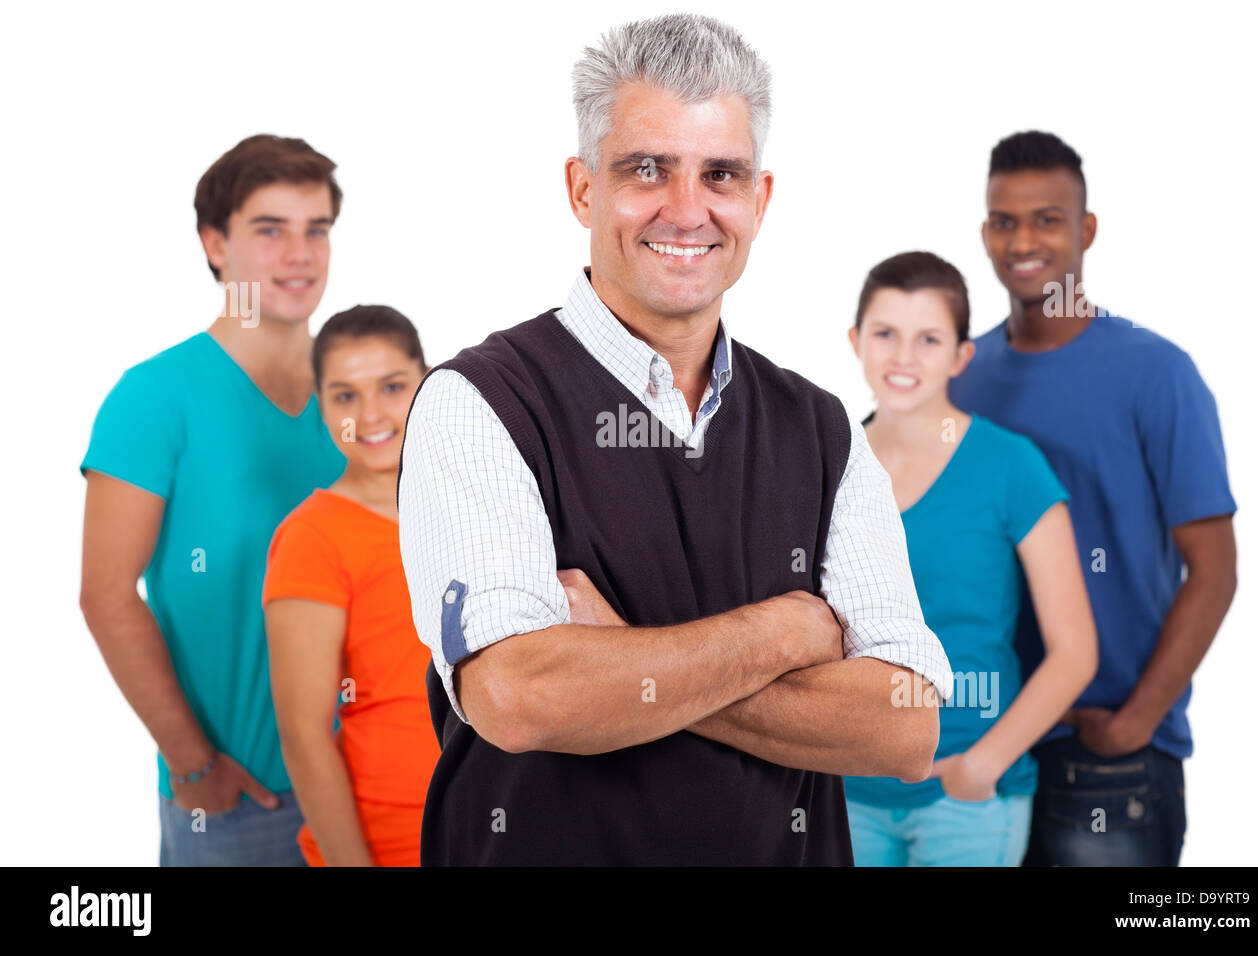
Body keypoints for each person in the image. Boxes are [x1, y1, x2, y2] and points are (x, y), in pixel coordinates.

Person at [397, 13, 953, 867]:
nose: (687, 210)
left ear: (759, 201)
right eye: (646, 169)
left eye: (720, 174)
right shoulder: (479, 403)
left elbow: (907, 727)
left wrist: (617, 657)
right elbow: (517, 695)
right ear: (583, 190)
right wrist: (785, 634)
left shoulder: (820, 429)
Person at [949, 131, 1238, 866]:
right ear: (985, 232)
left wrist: (1137, 720)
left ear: (1086, 230)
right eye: (1005, 221)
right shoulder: (960, 376)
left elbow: (1214, 569)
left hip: (1109, 755)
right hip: (983, 746)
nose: (1024, 240)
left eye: (1047, 219)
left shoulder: (1158, 374)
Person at [78, 134, 346, 865]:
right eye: (270, 230)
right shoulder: (154, 399)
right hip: (245, 804)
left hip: (378, 783)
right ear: (214, 243)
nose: (300, 253)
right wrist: (193, 765)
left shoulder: (366, 396)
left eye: (316, 230)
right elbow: (106, 595)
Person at [842, 251, 1097, 866]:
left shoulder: (1011, 466)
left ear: (961, 356)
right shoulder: (828, 463)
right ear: (856, 341)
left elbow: (1075, 651)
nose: (903, 357)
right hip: (843, 790)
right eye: (886, 334)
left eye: (928, 339)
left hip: (968, 797)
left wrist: (984, 765)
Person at [263, 305, 439, 867]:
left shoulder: (476, 505)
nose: (369, 416)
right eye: (344, 396)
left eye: (391, 387)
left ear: (428, 381)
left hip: (504, 829)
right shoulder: (313, 537)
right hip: (388, 841)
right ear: (320, 407)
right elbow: (303, 734)